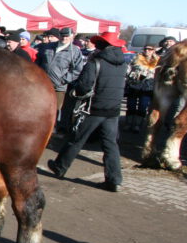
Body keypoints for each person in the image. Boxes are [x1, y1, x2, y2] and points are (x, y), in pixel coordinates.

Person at [48, 31, 128, 192]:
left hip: (94, 109)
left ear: (102, 46)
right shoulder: (123, 64)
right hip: (113, 110)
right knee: (110, 145)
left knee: (77, 138)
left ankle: (60, 166)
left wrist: (75, 90)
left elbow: (84, 86)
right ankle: (114, 180)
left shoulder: (95, 63)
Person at [35, 27, 84, 132]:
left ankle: (51, 130)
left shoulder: (74, 51)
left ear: (72, 37)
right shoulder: (47, 47)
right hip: (42, 84)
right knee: (39, 107)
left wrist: (64, 80)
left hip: (59, 86)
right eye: (62, 35)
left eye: (67, 36)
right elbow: (38, 61)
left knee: (55, 110)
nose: (64, 38)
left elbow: (77, 70)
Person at [125, 44, 159, 133]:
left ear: (154, 50)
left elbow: (159, 74)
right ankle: (128, 123)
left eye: (150, 49)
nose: (147, 51)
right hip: (134, 85)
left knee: (143, 106)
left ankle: (137, 125)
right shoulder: (136, 58)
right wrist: (131, 77)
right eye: (146, 49)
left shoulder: (158, 61)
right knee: (131, 105)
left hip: (148, 87)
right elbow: (128, 69)